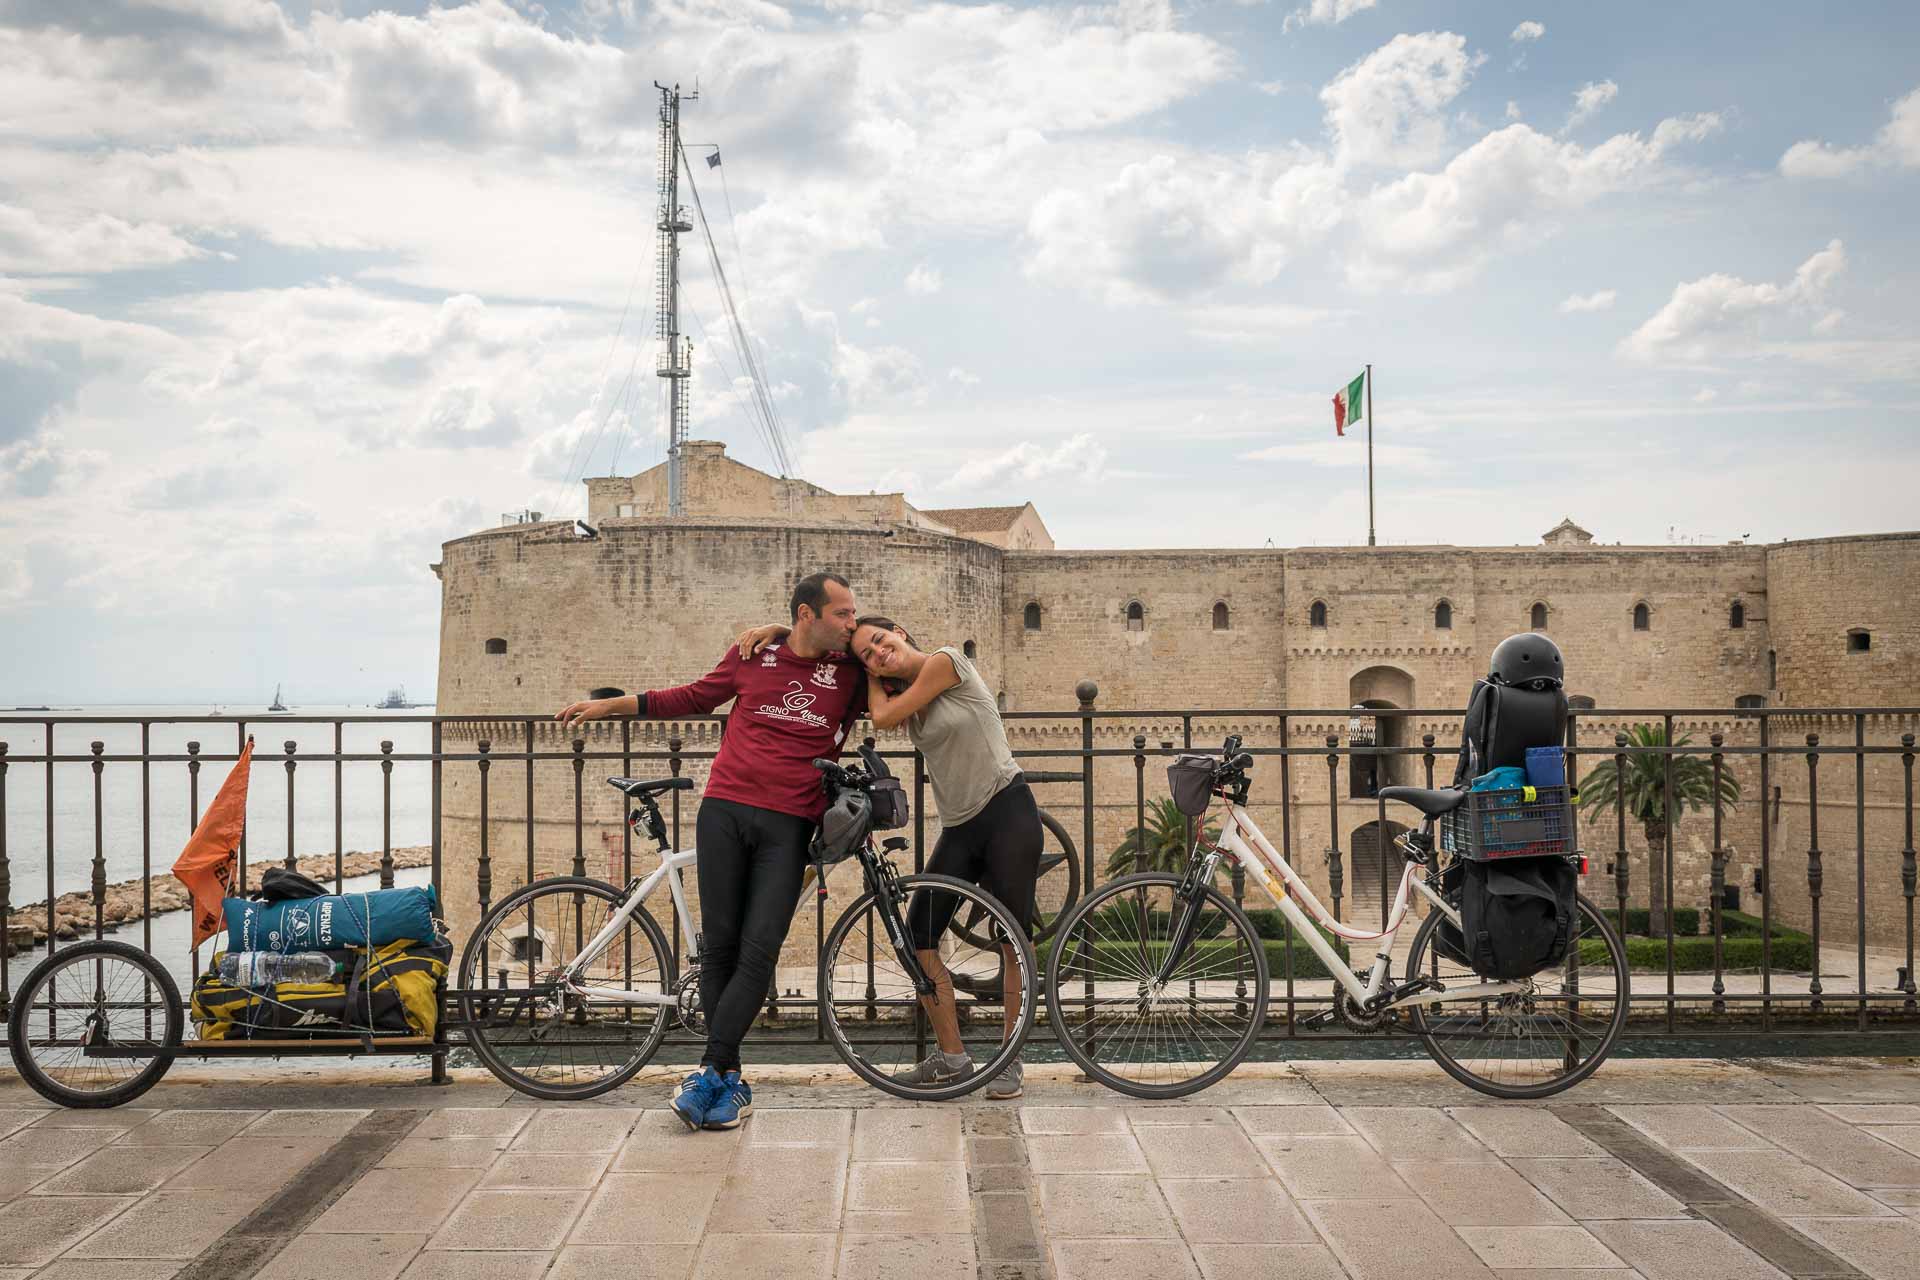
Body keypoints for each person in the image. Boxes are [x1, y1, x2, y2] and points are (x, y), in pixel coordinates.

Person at [559, 572, 864, 1131]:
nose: (851, 622)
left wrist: (789, 628)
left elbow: (901, 655)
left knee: (760, 950)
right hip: (723, 811)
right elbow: (695, 696)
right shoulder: (753, 656)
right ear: (807, 614)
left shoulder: (851, 672)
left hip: (791, 825)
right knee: (719, 949)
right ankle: (729, 1081)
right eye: (842, 614)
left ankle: (708, 1070)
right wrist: (613, 707)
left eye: (852, 615)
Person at [739, 614, 1039, 1100]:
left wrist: (872, 671)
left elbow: (880, 719)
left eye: (880, 641)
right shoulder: (904, 700)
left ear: (901, 630)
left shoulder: (947, 661)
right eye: (866, 654)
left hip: (1007, 811)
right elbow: (830, 661)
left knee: (1011, 944)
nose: (877, 653)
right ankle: (954, 1058)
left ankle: (1010, 1060)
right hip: (961, 826)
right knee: (919, 934)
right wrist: (780, 630)